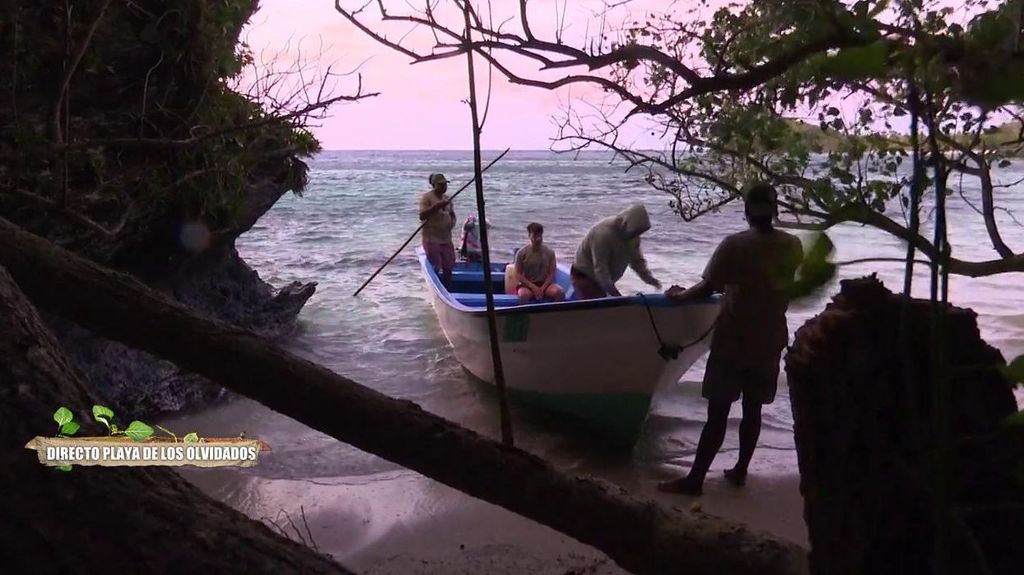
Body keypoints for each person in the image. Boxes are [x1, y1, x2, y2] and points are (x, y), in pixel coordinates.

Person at [658, 182, 803, 496]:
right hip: (771, 337)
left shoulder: (734, 245)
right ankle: (740, 471)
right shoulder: (793, 246)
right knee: (753, 409)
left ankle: (695, 479)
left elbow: (708, 287)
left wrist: (679, 296)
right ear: (775, 210)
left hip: (735, 339)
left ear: (747, 211)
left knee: (718, 412)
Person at [570, 203, 661, 299]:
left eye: (639, 232)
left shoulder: (633, 238)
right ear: (627, 224)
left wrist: (651, 280)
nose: (637, 235)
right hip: (584, 275)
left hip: (602, 279)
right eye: (636, 231)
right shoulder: (603, 234)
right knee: (598, 304)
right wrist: (616, 295)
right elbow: (601, 269)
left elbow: (637, 263)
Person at [509, 222, 565, 303]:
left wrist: (542, 288)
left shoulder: (549, 252)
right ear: (529, 236)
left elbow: (551, 273)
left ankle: (555, 313)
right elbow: (518, 274)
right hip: (527, 285)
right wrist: (534, 288)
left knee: (559, 292)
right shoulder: (522, 253)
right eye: (535, 236)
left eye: (539, 236)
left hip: (545, 284)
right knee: (523, 295)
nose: (538, 239)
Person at [418, 173, 456, 287]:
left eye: (445, 184)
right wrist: (437, 207)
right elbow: (422, 216)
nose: (444, 187)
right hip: (432, 238)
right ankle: (436, 287)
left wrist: (451, 223)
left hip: (446, 238)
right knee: (436, 265)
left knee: (449, 265)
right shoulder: (427, 198)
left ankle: (448, 288)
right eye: (440, 185)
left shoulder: (447, 198)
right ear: (434, 185)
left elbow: (452, 213)